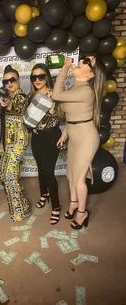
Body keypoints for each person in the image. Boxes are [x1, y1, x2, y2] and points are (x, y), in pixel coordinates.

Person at [52, 55, 106, 229]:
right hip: (74, 135)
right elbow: (71, 116)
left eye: (86, 61)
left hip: (86, 138)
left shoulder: (85, 91)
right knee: (70, 175)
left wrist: (64, 68)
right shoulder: (75, 87)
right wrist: (65, 133)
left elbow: (56, 94)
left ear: (90, 74)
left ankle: (82, 213)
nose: (80, 61)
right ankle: (74, 203)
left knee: (79, 179)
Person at [0, 65, 32, 222]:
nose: (9, 83)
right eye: (5, 81)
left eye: (12, 80)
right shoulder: (6, 96)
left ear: (19, 80)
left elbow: (18, 107)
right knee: (2, 171)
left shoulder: (21, 96)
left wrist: (8, 105)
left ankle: (20, 211)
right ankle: (20, 200)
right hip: (6, 142)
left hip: (17, 142)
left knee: (9, 175)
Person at [29, 63, 62, 225]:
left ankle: (56, 206)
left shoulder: (54, 94)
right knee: (41, 168)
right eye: (34, 77)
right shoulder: (32, 95)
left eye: (41, 76)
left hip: (51, 137)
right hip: (36, 138)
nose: (37, 79)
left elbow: (63, 115)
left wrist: (53, 111)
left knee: (49, 172)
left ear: (47, 77)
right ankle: (44, 194)